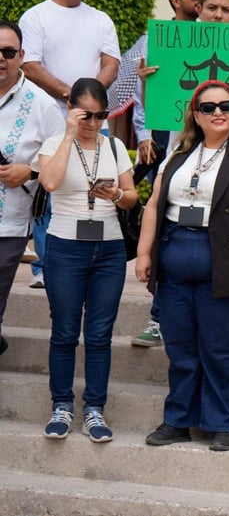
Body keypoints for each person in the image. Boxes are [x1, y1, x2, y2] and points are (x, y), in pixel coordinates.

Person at [136, 80, 229, 452]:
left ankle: (223, 423)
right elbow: (153, 206)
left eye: (226, 107)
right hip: (175, 255)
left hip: (226, 259)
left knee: (222, 347)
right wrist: (145, 253)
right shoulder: (178, 154)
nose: (218, 113)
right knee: (180, 345)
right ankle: (178, 420)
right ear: (195, 115)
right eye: (209, 107)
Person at [37, 77, 137, 443]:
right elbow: (48, 183)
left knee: (99, 334)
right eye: (86, 116)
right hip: (65, 246)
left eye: (100, 115)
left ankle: (94, 409)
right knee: (64, 331)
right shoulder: (54, 143)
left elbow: (131, 197)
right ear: (71, 112)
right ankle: (61, 405)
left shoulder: (114, 146)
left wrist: (115, 195)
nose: (93, 123)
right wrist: (67, 136)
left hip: (108, 249)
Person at [20, 0, 120, 290]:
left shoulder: (101, 19)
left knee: (94, 188)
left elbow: (110, 65)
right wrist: (73, 96)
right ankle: (46, 267)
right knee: (46, 193)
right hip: (46, 120)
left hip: (93, 122)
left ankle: (86, 263)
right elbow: (30, 66)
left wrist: (86, 103)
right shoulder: (35, 17)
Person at [131, 0, 204, 347]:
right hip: (173, 152)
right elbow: (145, 98)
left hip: (213, 159)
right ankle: (159, 317)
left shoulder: (216, 37)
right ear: (176, 1)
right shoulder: (153, 40)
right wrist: (144, 136)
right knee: (167, 233)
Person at [0, 20, 64, 357]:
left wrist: (31, 170)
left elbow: (63, 157)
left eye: (8, 52)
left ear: (22, 55)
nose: (1, 58)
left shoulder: (42, 105)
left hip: (8, 225)